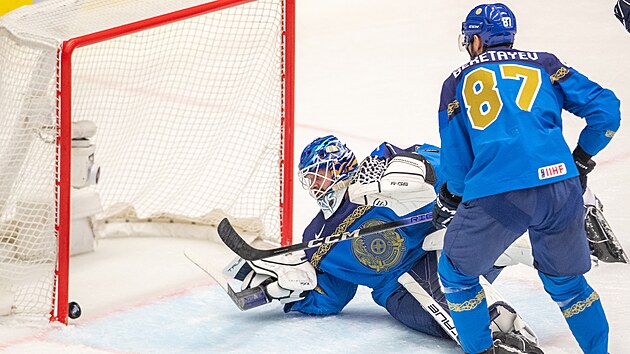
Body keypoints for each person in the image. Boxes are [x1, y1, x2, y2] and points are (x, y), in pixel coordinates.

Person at [224, 135, 541, 352]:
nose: (315, 185)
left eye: (318, 174)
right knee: (439, 294)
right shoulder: (316, 237)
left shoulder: (379, 169)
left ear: (338, 166)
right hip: (400, 294)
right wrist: (290, 294)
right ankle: (497, 333)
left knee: (480, 226)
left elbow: (448, 164)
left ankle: (540, 241)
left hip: (440, 250)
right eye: (310, 179)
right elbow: (334, 295)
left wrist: (422, 166)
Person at [434, 3, 620, 354]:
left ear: (476, 38)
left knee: (456, 273)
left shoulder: (456, 82)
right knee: (568, 285)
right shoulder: (545, 63)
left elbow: (456, 164)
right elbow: (606, 111)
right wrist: (580, 160)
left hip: (499, 194)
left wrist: (452, 197)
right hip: (560, 188)